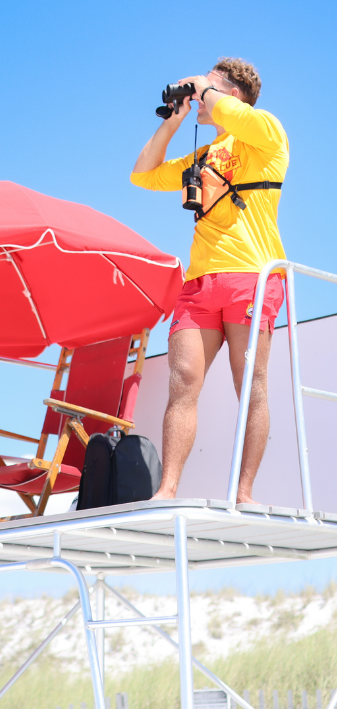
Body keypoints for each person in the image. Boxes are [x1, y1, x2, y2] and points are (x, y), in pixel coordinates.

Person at [131, 58, 288, 503]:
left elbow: (234, 115)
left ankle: (244, 492)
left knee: (251, 385)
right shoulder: (203, 153)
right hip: (200, 282)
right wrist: (175, 120)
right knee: (181, 381)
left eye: (211, 89)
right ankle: (167, 489)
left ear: (232, 94)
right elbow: (142, 174)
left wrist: (205, 88)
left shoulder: (265, 132)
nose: (199, 96)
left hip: (251, 276)